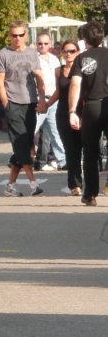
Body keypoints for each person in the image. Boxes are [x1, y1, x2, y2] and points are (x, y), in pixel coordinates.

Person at [0, 20, 47, 197]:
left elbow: (38, 78)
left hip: (30, 102)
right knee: (21, 143)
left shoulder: (32, 53)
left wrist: (41, 99)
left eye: (21, 35)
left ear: (26, 35)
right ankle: (33, 183)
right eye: (14, 35)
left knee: (25, 143)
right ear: (9, 35)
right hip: (13, 102)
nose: (17, 38)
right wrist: (6, 104)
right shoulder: (3, 54)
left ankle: (10, 186)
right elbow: (0, 83)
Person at [67, 21, 108, 206]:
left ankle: (90, 194)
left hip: (90, 106)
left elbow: (75, 85)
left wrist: (72, 111)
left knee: (90, 153)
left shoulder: (82, 59)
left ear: (84, 40)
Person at [45, 39, 82, 196]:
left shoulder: (82, 69)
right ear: (61, 53)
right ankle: (75, 184)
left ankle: (86, 180)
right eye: (66, 51)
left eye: (72, 51)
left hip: (80, 112)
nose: (68, 54)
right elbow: (59, 91)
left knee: (82, 148)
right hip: (62, 113)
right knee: (70, 149)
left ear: (78, 52)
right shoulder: (58, 70)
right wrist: (46, 105)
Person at [33, 33, 66, 171]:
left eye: (46, 43)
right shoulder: (33, 58)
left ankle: (63, 160)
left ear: (50, 44)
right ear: (36, 44)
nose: (43, 46)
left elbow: (58, 79)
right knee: (31, 130)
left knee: (56, 131)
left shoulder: (54, 59)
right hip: (39, 99)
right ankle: (18, 158)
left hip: (53, 98)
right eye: (40, 43)